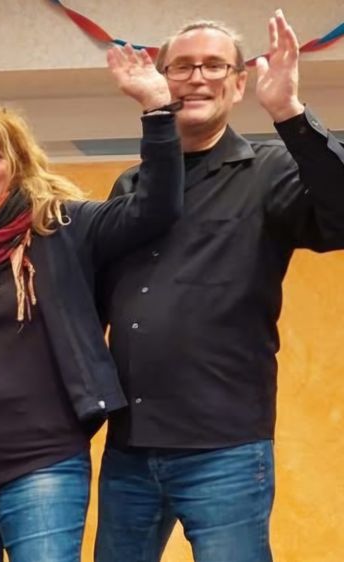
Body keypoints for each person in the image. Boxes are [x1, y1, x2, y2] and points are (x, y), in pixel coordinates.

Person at [0, 46, 183, 561]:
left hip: (44, 461)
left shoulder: (60, 226)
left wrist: (157, 110)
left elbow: (154, 209)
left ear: (17, 163)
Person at [95, 12, 344, 562]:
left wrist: (290, 114)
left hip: (225, 447)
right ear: (161, 80)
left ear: (238, 84)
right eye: (181, 67)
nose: (197, 78)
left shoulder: (270, 169)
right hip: (129, 445)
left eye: (214, 65)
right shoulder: (131, 186)